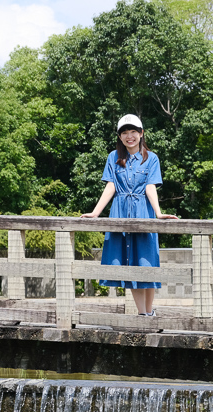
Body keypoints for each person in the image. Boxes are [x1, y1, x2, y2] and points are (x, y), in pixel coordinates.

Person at [81, 114, 178, 316]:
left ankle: (148, 312)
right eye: (124, 132)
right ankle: (142, 314)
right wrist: (96, 213)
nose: (129, 136)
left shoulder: (151, 159)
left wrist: (158, 213)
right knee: (130, 263)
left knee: (146, 263)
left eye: (133, 131)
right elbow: (111, 186)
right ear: (120, 136)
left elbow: (150, 186)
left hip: (143, 212)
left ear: (141, 133)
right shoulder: (113, 157)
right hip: (120, 212)